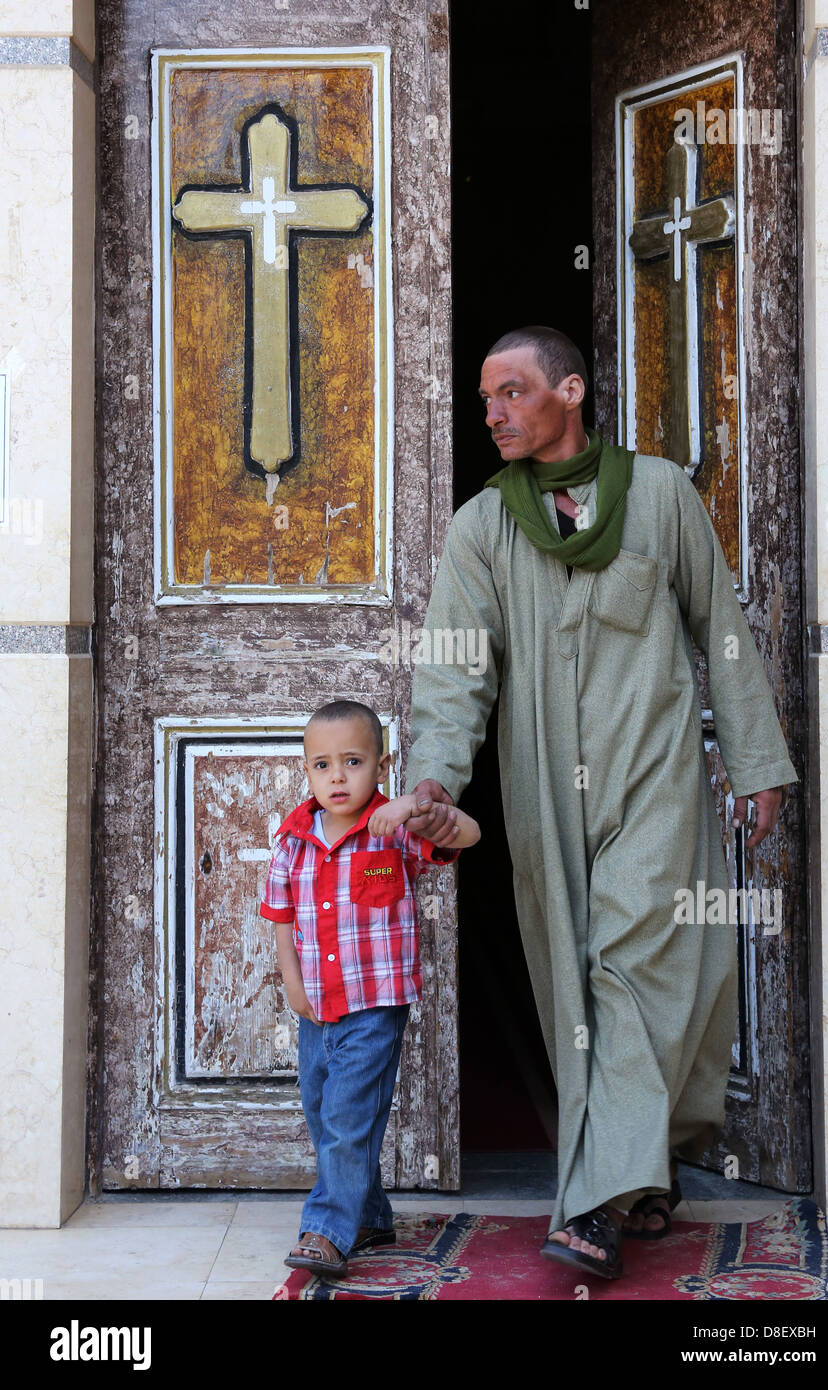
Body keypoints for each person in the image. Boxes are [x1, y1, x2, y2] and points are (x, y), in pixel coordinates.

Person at [401, 325, 798, 1281]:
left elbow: (724, 630)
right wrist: (433, 778)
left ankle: (591, 1204)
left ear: (571, 392)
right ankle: (641, 1170)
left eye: (513, 392)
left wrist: (758, 764)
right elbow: (457, 671)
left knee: (633, 970)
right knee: (575, 984)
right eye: (486, 396)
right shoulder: (482, 528)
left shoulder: (658, 496)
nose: (492, 412)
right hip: (544, 789)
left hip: (654, 777)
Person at [259, 699, 480, 1277]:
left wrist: (417, 806)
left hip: (375, 1007)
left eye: (353, 762)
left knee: (347, 1115)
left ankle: (326, 1230)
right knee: (321, 1108)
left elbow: (470, 834)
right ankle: (371, 1215)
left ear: (381, 767)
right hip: (318, 1007)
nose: (337, 776)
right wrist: (291, 983)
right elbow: (281, 919)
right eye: (322, 765)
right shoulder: (292, 840)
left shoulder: (396, 831)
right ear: (306, 771)